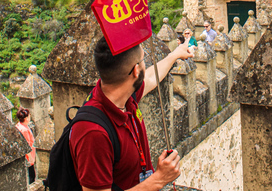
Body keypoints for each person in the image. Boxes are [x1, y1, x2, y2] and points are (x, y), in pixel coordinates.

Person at [69, 37, 193, 191]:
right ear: (135, 70)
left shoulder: (123, 95)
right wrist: (159, 179)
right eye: (142, 60)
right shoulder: (93, 133)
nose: (144, 64)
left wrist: (175, 54)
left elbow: (149, 77)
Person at [16, 107, 36, 184]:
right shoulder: (24, 130)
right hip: (27, 158)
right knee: (31, 177)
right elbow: (26, 145)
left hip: (26, 157)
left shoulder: (19, 125)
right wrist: (30, 158)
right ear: (26, 118)